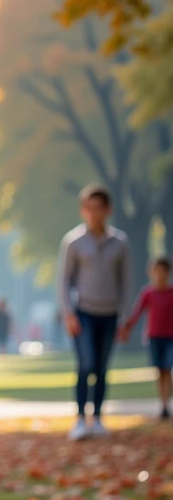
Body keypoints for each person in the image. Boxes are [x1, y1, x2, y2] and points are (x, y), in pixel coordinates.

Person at [58, 183, 133, 440]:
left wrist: (124, 318)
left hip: (110, 313)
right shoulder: (74, 242)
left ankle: (98, 418)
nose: (93, 213)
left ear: (107, 210)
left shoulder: (119, 243)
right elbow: (64, 281)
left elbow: (126, 283)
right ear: (83, 211)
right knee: (85, 364)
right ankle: (80, 419)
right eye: (88, 208)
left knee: (101, 367)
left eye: (98, 208)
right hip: (83, 313)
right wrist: (68, 313)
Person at [121, 256, 173, 420]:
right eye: (156, 271)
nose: (159, 274)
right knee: (160, 370)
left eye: (162, 271)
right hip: (154, 337)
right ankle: (163, 405)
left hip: (170, 337)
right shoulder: (148, 293)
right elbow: (137, 313)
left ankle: (166, 402)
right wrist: (127, 327)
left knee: (168, 368)